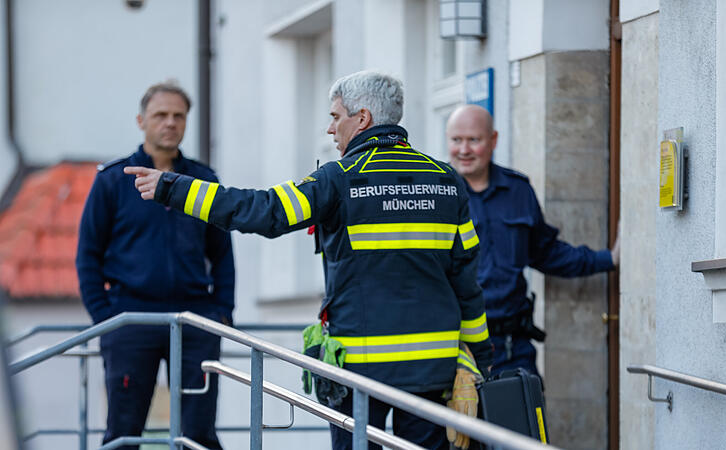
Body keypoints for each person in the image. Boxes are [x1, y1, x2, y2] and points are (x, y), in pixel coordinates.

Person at [125, 71, 492, 450]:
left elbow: (264, 211)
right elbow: (466, 282)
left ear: (362, 119)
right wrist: (478, 361)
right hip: (433, 366)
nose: (331, 129)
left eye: (336, 117)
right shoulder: (446, 181)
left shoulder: (340, 178)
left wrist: (175, 187)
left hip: (361, 370)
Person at [76, 81, 235, 449]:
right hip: (130, 320)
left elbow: (222, 254)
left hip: (195, 320)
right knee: (123, 433)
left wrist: (222, 313)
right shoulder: (114, 180)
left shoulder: (203, 179)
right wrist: (105, 318)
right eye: (160, 115)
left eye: (179, 115)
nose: (170, 123)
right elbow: (88, 254)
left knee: (198, 435)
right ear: (141, 121)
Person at [445, 104, 619, 380]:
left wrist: (607, 259)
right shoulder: (439, 194)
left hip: (513, 345)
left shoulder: (518, 190)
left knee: (523, 421)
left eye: (473, 140)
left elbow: (546, 252)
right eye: (456, 140)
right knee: (458, 424)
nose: (464, 150)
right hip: (456, 347)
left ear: (493, 140)